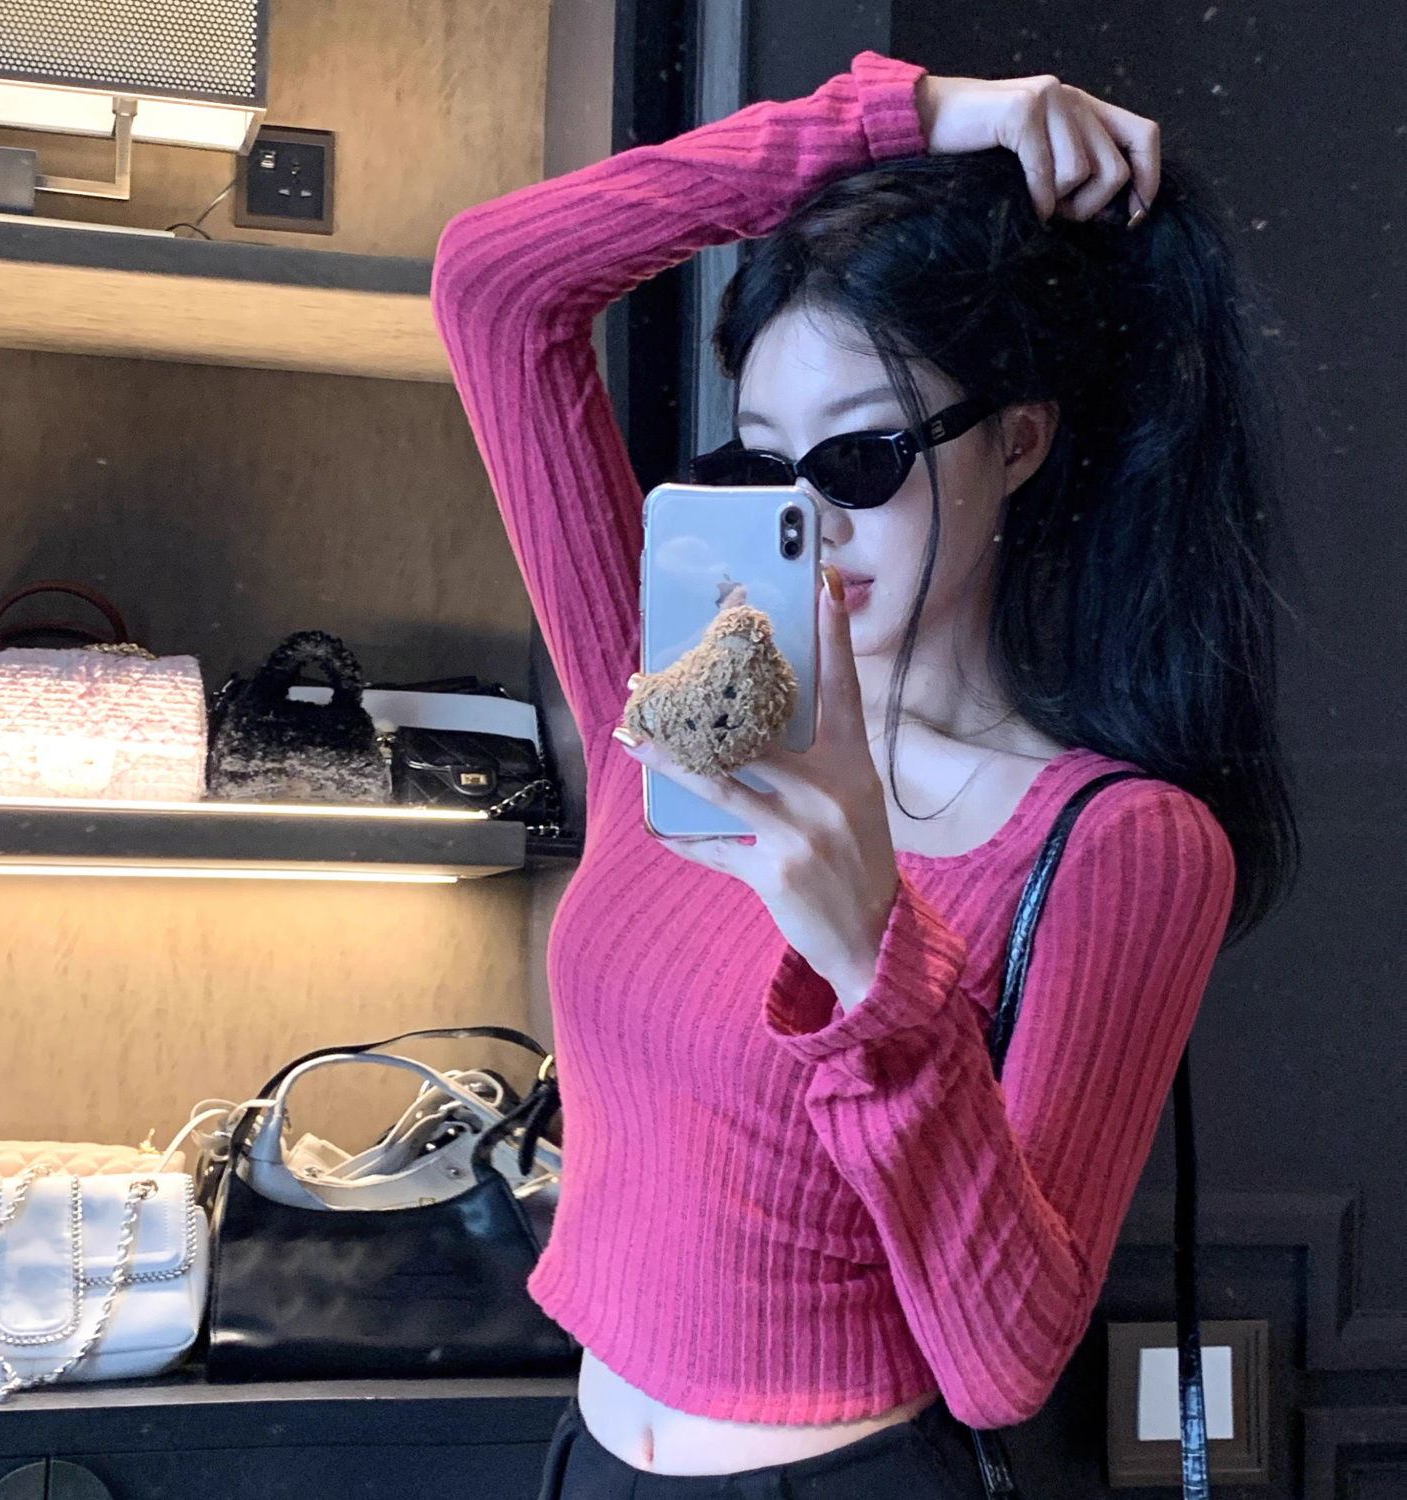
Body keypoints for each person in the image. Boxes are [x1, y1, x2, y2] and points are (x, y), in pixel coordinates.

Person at [430, 49, 1297, 1499]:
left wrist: (872, 962)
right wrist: (908, 118)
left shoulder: (1116, 842)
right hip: (584, 1458)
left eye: (862, 462)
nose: (809, 523)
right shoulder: (672, 698)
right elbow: (495, 285)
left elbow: (1004, 1366)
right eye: (770, 468)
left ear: (1018, 441)